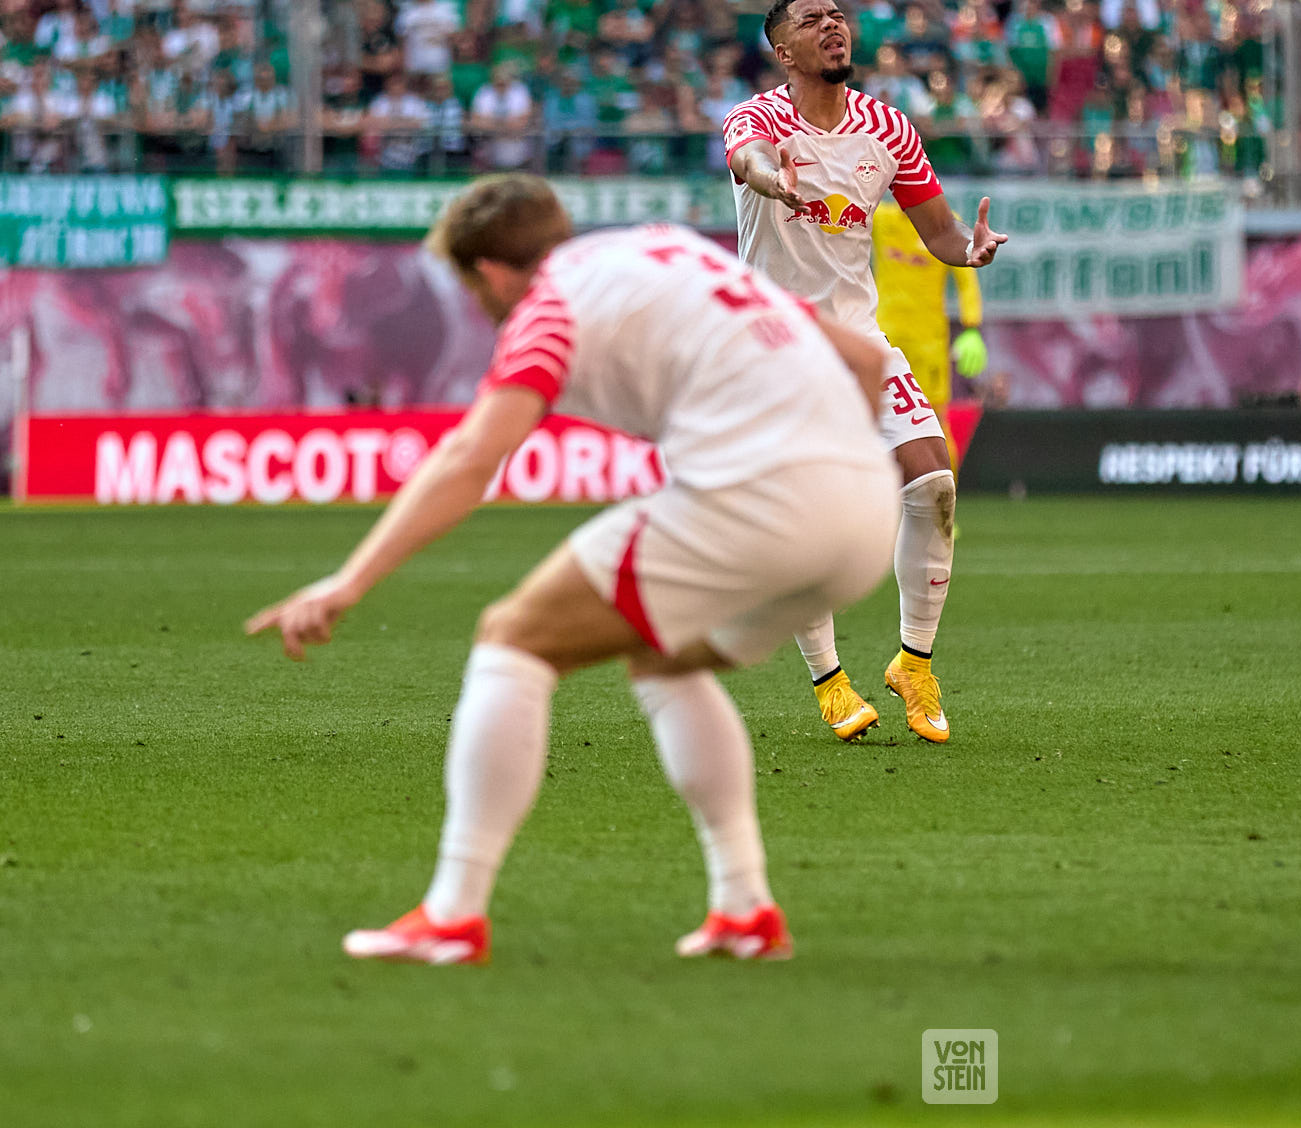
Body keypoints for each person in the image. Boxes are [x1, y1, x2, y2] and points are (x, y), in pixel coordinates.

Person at [245, 175, 900, 965]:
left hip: (758, 494)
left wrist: (347, 582)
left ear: (488, 272)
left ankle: (453, 914)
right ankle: (744, 908)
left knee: (512, 638)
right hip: (867, 509)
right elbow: (863, 359)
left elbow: (472, 456)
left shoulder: (547, 303)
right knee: (662, 657)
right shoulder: (672, 248)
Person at [722, 0, 1008, 745]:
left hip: (857, 342)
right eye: (812, 21)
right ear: (785, 52)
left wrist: (969, 252)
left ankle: (913, 663)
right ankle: (829, 679)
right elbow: (745, 156)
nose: (833, 26)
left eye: (837, 16)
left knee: (934, 480)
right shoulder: (759, 120)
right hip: (776, 351)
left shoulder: (887, 127)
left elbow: (940, 232)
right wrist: (766, 176)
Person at [871, 198, 989, 441]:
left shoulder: (943, 224)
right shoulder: (880, 219)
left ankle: (946, 480)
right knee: (876, 417)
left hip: (928, 344)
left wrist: (971, 327)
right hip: (883, 339)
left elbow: (966, 280)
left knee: (934, 420)